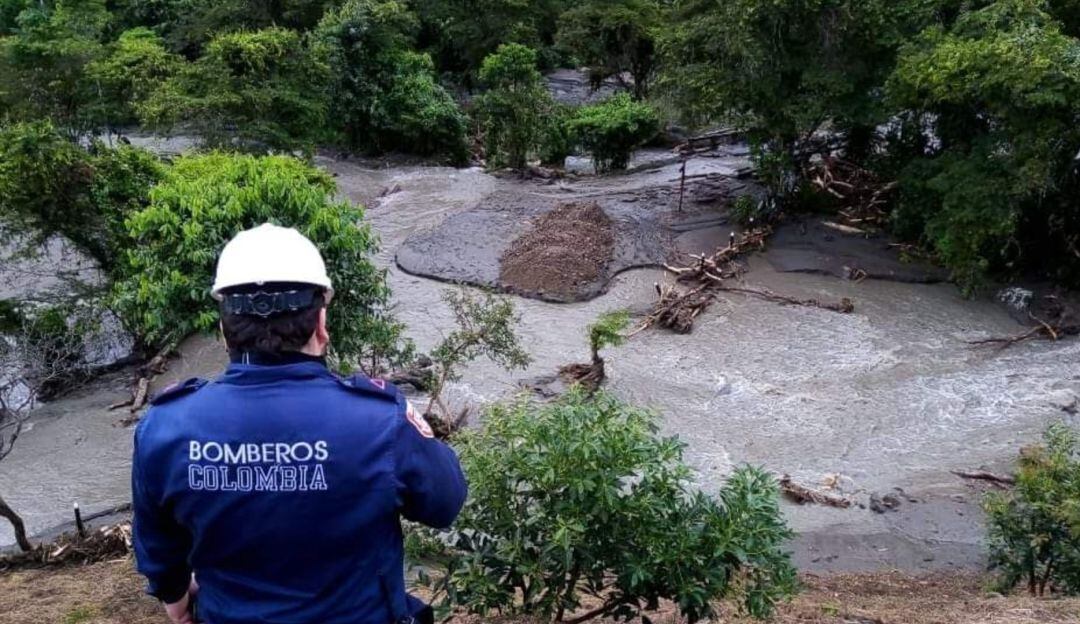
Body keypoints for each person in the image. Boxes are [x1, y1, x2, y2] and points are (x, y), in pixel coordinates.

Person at [131, 223, 467, 624]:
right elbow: (446, 503)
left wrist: (177, 602)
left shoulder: (165, 426)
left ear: (224, 330)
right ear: (321, 323)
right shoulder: (380, 419)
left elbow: (158, 552)